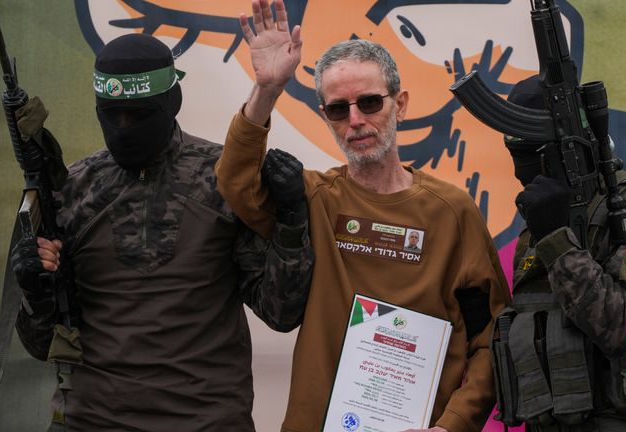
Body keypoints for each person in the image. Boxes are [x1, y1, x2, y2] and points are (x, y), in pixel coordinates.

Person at [214, 1, 510, 430]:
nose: (355, 120)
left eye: (370, 102)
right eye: (339, 108)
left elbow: (491, 338)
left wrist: (453, 424)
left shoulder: (451, 212)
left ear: (400, 104)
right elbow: (235, 183)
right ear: (326, 118)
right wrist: (266, 90)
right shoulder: (312, 198)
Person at [10, 33, 313, 431]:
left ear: (173, 103)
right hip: (91, 420)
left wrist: (292, 219)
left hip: (207, 420)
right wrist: (34, 290)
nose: (123, 129)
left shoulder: (224, 181)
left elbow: (281, 312)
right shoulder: (70, 191)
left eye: (139, 115)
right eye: (111, 113)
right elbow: (40, 345)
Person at [492, 75, 626, 432]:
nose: (524, 168)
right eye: (516, 152)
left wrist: (556, 240)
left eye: (533, 153)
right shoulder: (543, 212)